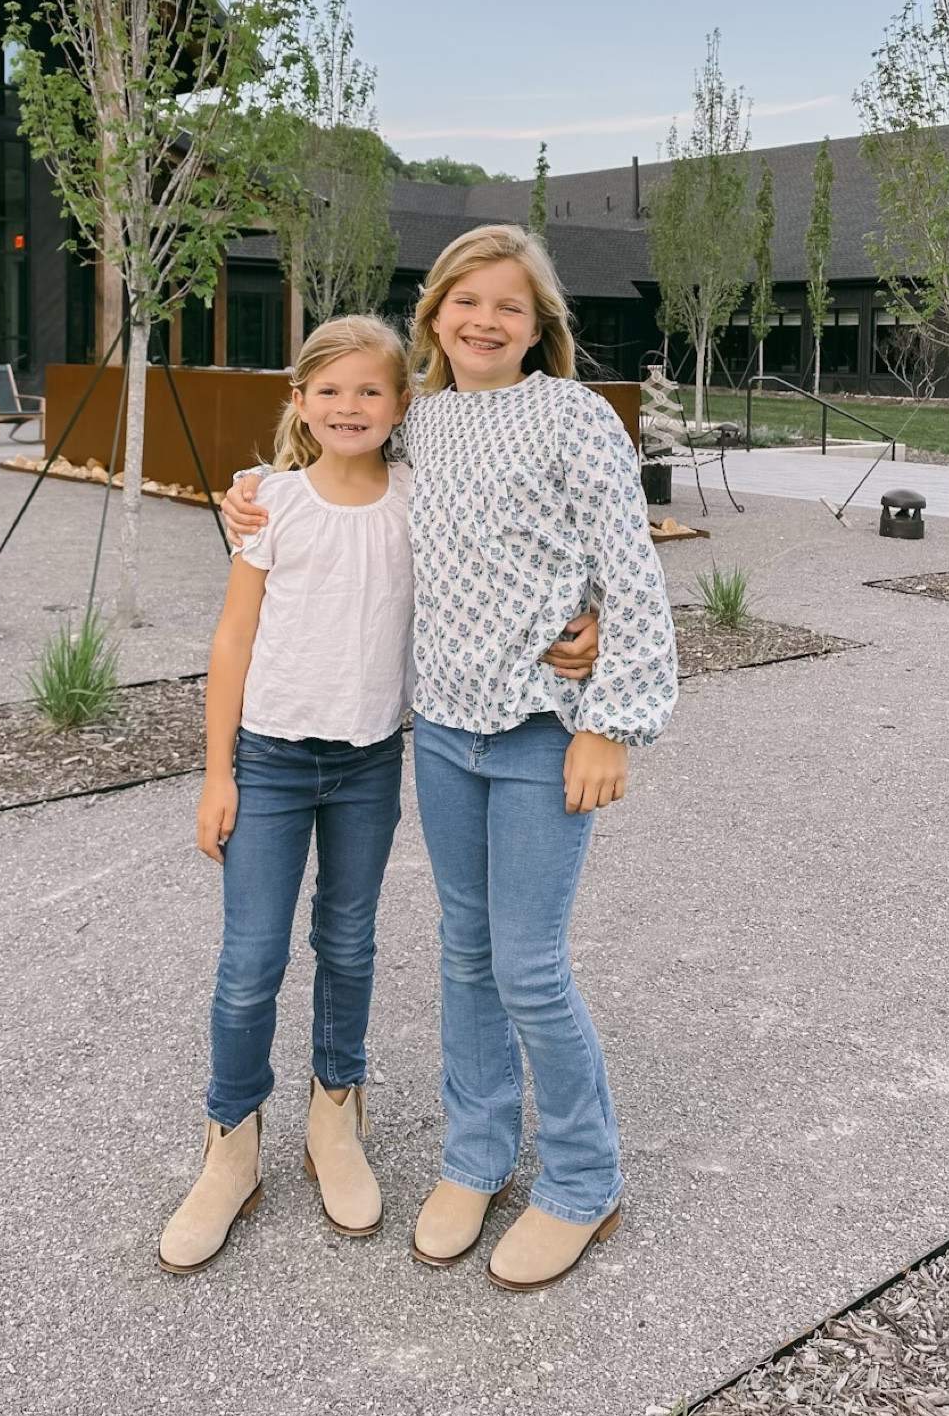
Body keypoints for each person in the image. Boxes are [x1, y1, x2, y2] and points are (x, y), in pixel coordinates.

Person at [223, 226, 678, 1293]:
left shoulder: (574, 415)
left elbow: (629, 562)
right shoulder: (419, 426)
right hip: (443, 731)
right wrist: (253, 487)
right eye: (464, 299)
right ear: (433, 315)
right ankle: (475, 1158)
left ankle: (581, 1176)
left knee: (528, 961)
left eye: (508, 305)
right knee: (465, 952)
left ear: (539, 325)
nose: (484, 318)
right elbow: (333, 459)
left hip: (541, 729)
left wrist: (612, 710)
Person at [158, 311, 598, 1274]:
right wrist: (216, 773)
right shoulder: (268, 502)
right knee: (249, 961)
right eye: (329, 391)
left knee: (348, 942)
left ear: (403, 404)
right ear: (299, 403)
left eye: (371, 390)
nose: (349, 406)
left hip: (367, 765)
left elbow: (521, 546)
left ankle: (334, 1118)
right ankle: (230, 1146)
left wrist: (591, 620)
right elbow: (232, 640)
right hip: (269, 764)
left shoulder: (419, 494)